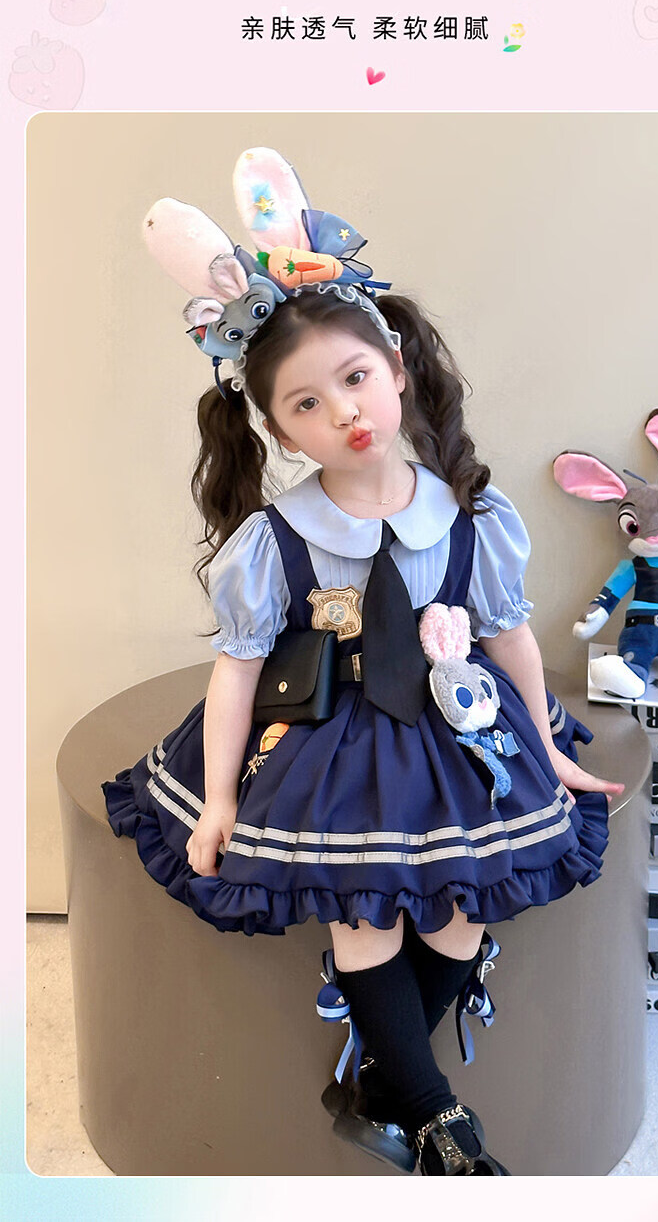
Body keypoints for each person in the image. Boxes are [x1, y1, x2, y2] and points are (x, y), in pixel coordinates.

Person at [104, 151, 624, 1177]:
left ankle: (379, 1092)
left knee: (465, 907)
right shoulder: (273, 540)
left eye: (354, 378)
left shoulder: (472, 514)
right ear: (276, 427)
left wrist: (547, 743)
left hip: (457, 722)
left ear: (394, 366)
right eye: (305, 404)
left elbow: (509, 632)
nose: (344, 413)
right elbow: (238, 670)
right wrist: (220, 800)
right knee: (362, 908)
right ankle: (441, 1123)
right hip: (329, 732)